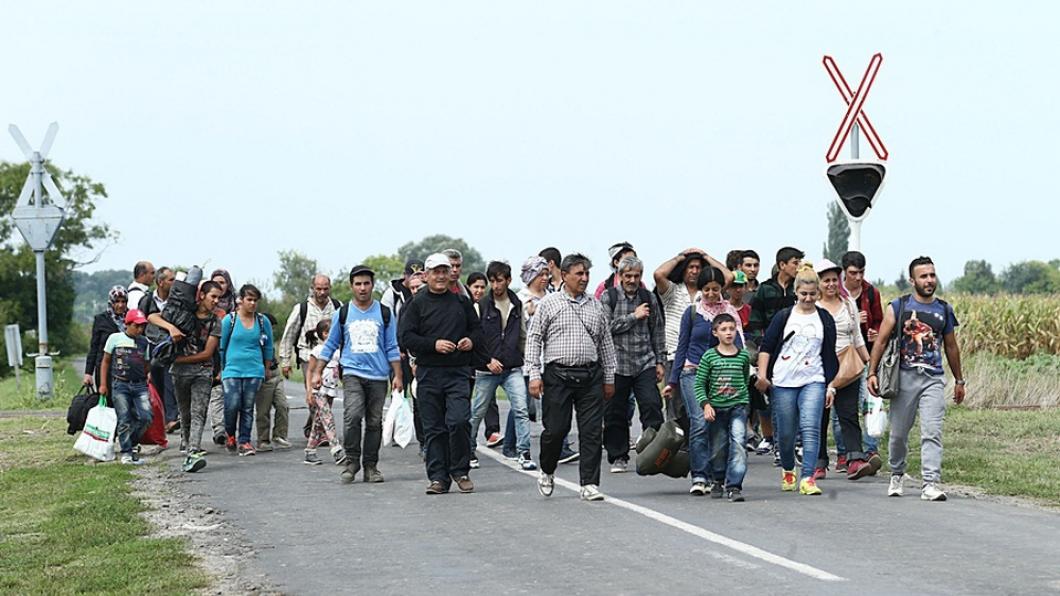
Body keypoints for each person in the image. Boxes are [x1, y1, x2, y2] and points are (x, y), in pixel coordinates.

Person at [868, 256, 964, 502]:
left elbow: (951, 347)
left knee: (932, 431)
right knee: (899, 433)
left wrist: (960, 380)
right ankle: (897, 472)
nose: (929, 280)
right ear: (913, 280)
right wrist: (872, 372)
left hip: (932, 378)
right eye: (924, 276)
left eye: (932, 275)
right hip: (904, 378)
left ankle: (930, 482)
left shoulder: (944, 309)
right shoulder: (898, 307)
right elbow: (880, 341)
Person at [527, 253, 617, 502]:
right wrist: (534, 374)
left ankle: (589, 483)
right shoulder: (549, 303)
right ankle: (547, 470)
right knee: (556, 430)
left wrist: (609, 378)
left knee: (591, 432)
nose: (584, 278)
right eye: (579, 273)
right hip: (558, 375)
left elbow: (606, 344)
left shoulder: (596, 305)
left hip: (590, 376)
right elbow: (534, 339)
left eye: (587, 273)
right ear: (564, 275)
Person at [399, 253, 480, 495]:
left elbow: (477, 330)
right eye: (436, 272)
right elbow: (405, 337)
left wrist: (470, 341)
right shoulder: (415, 304)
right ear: (426, 275)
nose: (441, 276)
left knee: (459, 421)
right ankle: (438, 478)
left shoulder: (461, 302)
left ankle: (460, 470)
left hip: (457, 372)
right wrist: (433, 344)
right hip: (428, 372)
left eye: (445, 271)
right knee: (434, 428)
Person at [312, 265, 402, 483]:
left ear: (372, 285)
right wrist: (317, 372)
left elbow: (391, 346)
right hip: (352, 372)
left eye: (366, 283)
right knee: (352, 416)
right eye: (358, 284)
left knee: (373, 422)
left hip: (379, 376)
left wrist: (398, 375)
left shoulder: (384, 313)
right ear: (352, 286)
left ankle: (371, 466)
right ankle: (352, 462)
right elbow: (331, 344)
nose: (362, 288)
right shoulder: (342, 314)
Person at [755, 265, 839, 496]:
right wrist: (763, 376)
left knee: (811, 428)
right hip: (783, 380)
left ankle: (808, 477)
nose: (808, 298)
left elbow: (830, 353)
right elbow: (767, 347)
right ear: (796, 292)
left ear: (818, 293)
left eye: (813, 294)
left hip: (814, 378)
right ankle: (789, 469)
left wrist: (830, 385)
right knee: (786, 432)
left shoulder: (825, 318)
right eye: (804, 294)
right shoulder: (784, 317)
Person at [663, 266, 744, 494]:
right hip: (693, 371)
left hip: (721, 374)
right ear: (701, 289)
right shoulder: (691, 312)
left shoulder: (728, 313)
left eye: (715, 289)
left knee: (717, 424)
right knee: (699, 422)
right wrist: (673, 381)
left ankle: (716, 474)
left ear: (721, 289)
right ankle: (699, 476)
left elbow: (739, 345)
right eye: (706, 289)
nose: (710, 294)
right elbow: (682, 346)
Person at [598, 255, 665, 473]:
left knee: (652, 405)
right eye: (628, 276)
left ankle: (653, 452)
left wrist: (660, 361)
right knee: (615, 411)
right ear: (620, 276)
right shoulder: (609, 297)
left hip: (644, 361)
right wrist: (633, 317)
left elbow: (657, 330)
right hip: (617, 364)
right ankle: (618, 456)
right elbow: (604, 328)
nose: (632, 280)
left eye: (636, 276)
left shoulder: (648, 297)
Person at [468, 261, 537, 471]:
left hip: (512, 367)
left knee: (521, 410)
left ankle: (523, 452)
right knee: (477, 412)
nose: (495, 285)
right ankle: (468, 449)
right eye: (492, 281)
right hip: (486, 369)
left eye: (499, 280)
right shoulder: (480, 306)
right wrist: (487, 360)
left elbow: (523, 336)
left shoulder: (516, 304)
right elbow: (475, 339)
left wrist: (531, 363)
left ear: (508, 280)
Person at [149, 280, 222, 472]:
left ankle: (193, 452)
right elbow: (152, 317)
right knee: (185, 414)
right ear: (202, 295)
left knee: (199, 412)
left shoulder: (215, 321)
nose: (216, 301)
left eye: (219, 298)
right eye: (213, 296)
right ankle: (189, 447)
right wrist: (171, 328)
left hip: (202, 371)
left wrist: (176, 360)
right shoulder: (182, 313)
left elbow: (208, 353)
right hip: (179, 374)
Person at [654, 248, 732, 424]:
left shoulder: (708, 292)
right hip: (675, 353)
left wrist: (706, 256)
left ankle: (694, 446)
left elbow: (728, 277)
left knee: (700, 409)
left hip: (703, 357)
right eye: (690, 267)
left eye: (698, 267)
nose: (694, 271)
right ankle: (676, 447)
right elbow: (659, 274)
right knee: (675, 407)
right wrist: (680, 257)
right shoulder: (672, 291)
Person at [813, 259, 873, 480]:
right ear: (818, 283)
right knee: (819, 416)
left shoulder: (848, 305)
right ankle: (818, 462)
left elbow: (857, 337)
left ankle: (854, 459)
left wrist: (870, 366)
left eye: (833, 280)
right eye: (825, 280)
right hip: (819, 367)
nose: (830, 284)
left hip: (848, 367)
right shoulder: (812, 307)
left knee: (848, 414)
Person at [747, 246, 803, 460]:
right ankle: (780, 447)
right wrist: (763, 345)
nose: (797, 266)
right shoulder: (765, 289)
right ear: (782, 265)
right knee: (778, 400)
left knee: (795, 399)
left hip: (796, 351)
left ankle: (796, 444)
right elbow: (755, 321)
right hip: (770, 352)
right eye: (794, 262)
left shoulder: (799, 289)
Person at [694, 313, 751, 501]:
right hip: (717, 408)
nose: (728, 333)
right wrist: (706, 404)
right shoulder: (709, 357)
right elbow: (700, 384)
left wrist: (743, 400)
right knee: (718, 445)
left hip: (738, 407)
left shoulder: (743, 356)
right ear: (715, 332)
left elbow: (744, 379)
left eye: (732, 329)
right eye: (724, 329)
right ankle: (718, 479)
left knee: (739, 443)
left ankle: (734, 485)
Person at [278, 274, 341, 440]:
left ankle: (312, 426)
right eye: (318, 289)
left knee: (327, 396)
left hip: (330, 358)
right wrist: (285, 361)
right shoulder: (302, 308)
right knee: (314, 395)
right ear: (312, 288)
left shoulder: (336, 307)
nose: (321, 292)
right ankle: (321, 434)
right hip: (309, 356)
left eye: (325, 289)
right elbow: (289, 334)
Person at [839, 250, 884, 470]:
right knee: (843, 408)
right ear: (844, 272)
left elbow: (880, 322)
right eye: (853, 273)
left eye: (861, 272)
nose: (858, 277)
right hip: (843, 354)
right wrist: (855, 317)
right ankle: (843, 452)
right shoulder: (835, 291)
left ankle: (871, 449)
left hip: (866, 352)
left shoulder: (871, 293)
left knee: (869, 401)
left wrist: (875, 331)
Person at [219, 284, 275, 457]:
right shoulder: (230, 320)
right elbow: (222, 346)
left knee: (248, 407)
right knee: (232, 404)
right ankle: (230, 435)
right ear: (240, 300)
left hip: (254, 369)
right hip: (232, 370)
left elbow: (268, 346)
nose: (252, 304)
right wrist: (220, 368)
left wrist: (266, 368)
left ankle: (244, 441)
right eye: (249, 300)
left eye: (255, 300)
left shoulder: (262, 321)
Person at [381, 259, 427, 455]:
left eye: (419, 275)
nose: (415, 281)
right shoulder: (392, 294)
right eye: (412, 276)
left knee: (419, 397)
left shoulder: (429, 295)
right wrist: (394, 348)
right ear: (405, 277)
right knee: (399, 390)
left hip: (418, 353)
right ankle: (395, 428)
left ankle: (423, 440)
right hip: (398, 351)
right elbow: (387, 322)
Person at [99, 309, 153, 466]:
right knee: (124, 418)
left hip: (140, 385)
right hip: (120, 384)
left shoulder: (144, 342)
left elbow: (147, 364)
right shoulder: (115, 339)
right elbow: (106, 361)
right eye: (136, 326)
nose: (139, 329)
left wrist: (146, 376)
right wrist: (103, 384)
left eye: (142, 326)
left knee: (146, 416)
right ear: (127, 324)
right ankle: (126, 452)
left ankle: (132, 441)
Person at [137, 267, 179, 433]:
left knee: (170, 379)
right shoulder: (147, 300)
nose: (174, 283)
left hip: (171, 346)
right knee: (156, 380)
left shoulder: (177, 301)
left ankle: (171, 418)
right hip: (151, 346)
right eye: (170, 280)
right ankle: (161, 418)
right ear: (160, 283)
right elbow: (140, 322)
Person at [304, 319, 344, 465]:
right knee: (327, 417)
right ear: (321, 334)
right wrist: (309, 391)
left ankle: (310, 451)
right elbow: (310, 371)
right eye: (327, 332)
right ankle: (336, 448)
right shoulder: (318, 350)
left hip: (331, 389)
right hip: (318, 389)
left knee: (319, 421)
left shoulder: (339, 350)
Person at [254, 312, 290, 452]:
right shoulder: (256, 337)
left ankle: (280, 435)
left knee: (283, 405)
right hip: (263, 374)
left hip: (275, 373)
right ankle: (263, 439)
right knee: (263, 409)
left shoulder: (268, 339)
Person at [85, 286, 129, 390]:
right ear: (111, 302)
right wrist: (88, 373)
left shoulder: (131, 318)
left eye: (123, 301)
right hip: (105, 369)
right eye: (117, 301)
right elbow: (94, 347)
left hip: (126, 367)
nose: (120, 305)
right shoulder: (101, 319)